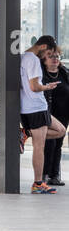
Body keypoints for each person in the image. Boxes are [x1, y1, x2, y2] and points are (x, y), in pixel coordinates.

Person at [20, 36, 66, 194]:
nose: (47, 56)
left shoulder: (23, 57)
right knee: (39, 146)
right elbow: (34, 87)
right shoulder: (33, 60)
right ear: (43, 46)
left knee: (61, 130)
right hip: (36, 107)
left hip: (33, 107)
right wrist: (47, 87)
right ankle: (38, 183)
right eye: (48, 52)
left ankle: (26, 133)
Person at [42, 43, 69, 187]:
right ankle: (45, 174)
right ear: (44, 59)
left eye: (57, 56)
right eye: (51, 56)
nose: (55, 59)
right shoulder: (41, 75)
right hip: (47, 113)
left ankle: (55, 175)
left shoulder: (64, 73)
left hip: (63, 113)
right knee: (48, 143)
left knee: (58, 144)